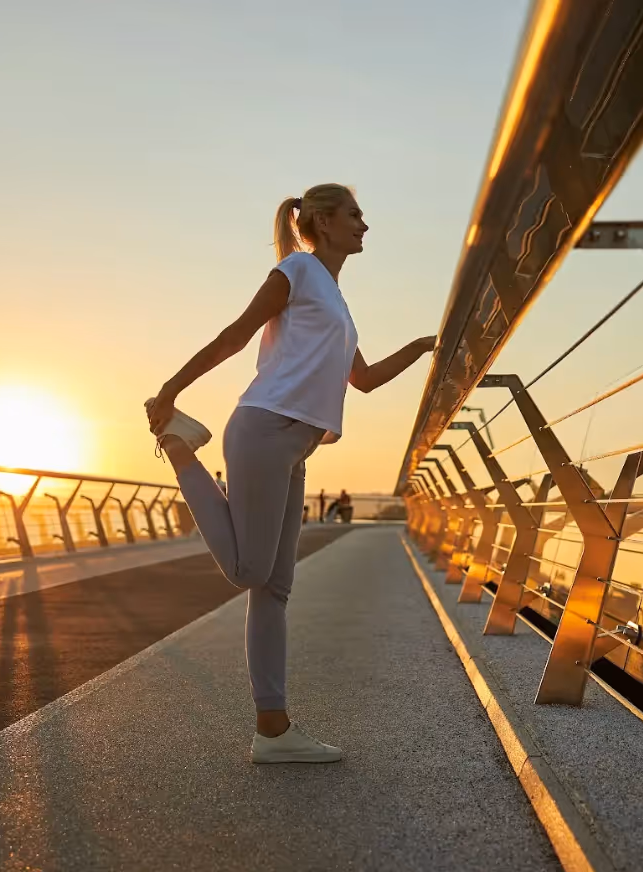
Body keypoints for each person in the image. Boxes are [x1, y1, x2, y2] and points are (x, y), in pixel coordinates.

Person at [145, 183, 435, 764]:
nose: (365, 225)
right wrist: (170, 391)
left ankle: (273, 731)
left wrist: (429, 345)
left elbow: (366, 378)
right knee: (250, 571)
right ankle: (180, 450)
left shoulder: (336, 300)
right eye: (356, 215)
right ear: (322, 222)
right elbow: (236, 334)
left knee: (274, 589)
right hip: (265, 427)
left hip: (295, 444)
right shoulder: (298, 270)